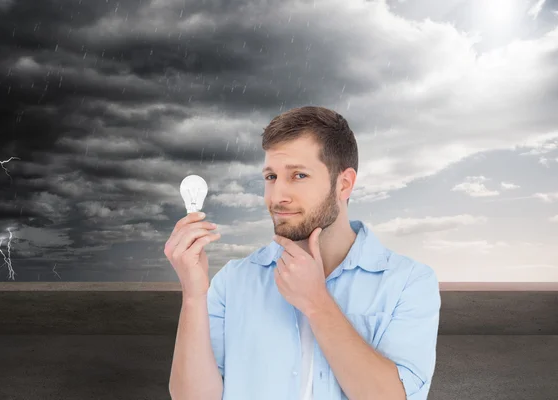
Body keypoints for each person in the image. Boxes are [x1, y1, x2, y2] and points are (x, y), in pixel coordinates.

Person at [166, 106, 441, 400]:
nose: (278, 196)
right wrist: (194, 296)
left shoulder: (409, 282)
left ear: (344, 184)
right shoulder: (233, 281)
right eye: (271, 176)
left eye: (298, 175)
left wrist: (317, 303)